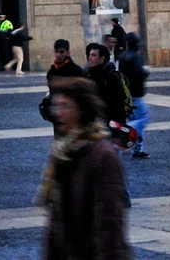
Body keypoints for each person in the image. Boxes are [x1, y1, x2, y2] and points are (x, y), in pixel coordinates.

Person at [38, 75, 130, 258]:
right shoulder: (63, 151)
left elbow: (109, 222)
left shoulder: (101, 155)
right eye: (56, 105)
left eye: (65, 106)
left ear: (81, 109)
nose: (58, 112)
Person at [84, 43, 133, 136]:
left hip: (108, 125)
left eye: (93, 55)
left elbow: (119, 106)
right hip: (91, 125)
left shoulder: (112, 77)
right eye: (90, 55)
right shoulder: (87, 74)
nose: (90, 58)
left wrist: (117, 128)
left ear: (102, 59)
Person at [116, 33, 151, 160]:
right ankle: (124, 132)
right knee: (143, 119)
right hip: (135, 94)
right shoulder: (135, 57)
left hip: (125, 94)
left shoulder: (122, 57)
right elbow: (138, 74)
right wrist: (145, 73)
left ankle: (138, 149)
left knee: (138, 120)